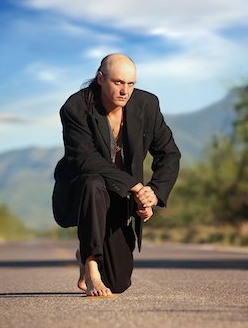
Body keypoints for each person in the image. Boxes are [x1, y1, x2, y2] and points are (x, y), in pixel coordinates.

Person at [52, 53, 180, 297]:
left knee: (119, 282)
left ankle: (85, 252)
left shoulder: (147, 105)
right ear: (101, 79)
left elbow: (169, 154)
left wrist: (152, 193)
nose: (125, 91)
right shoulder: (75, 107)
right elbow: (85, 159)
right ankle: (90, 268)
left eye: (130, 84)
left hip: (120, 195)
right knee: (93, 183)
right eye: (118, 82)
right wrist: (136, 187)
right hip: (82, 189)